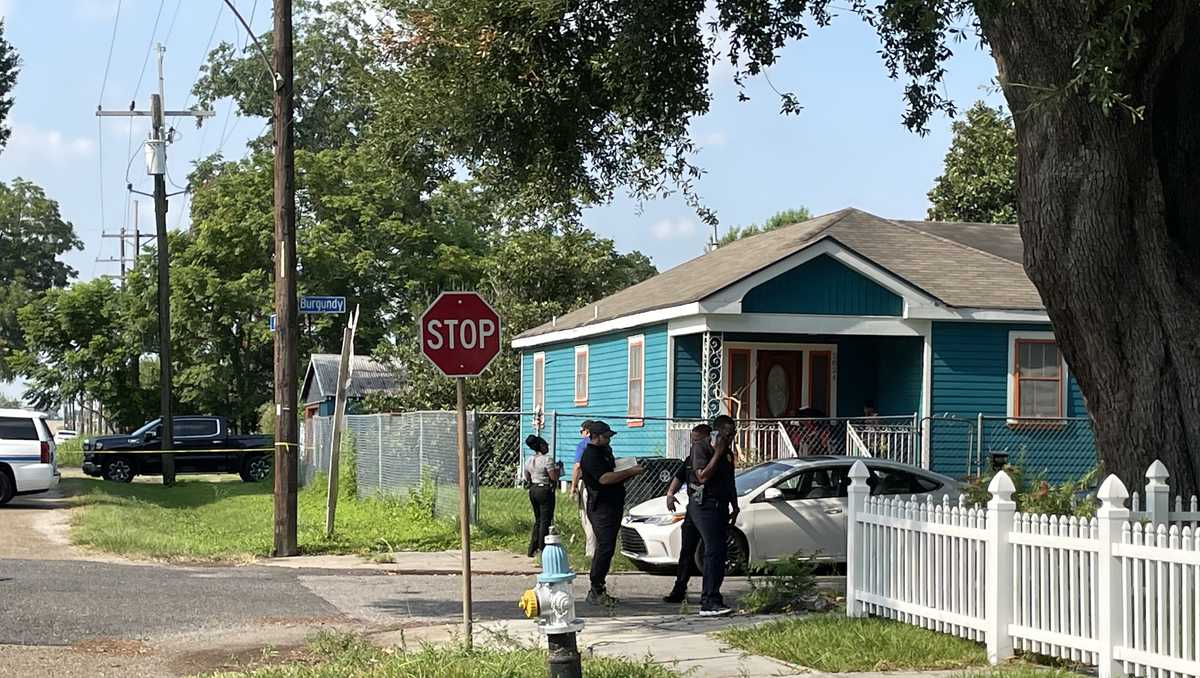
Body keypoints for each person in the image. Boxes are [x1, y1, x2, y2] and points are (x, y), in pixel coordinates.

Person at [662, 415, 738, 616]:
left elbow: (729, 481)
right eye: (728, 434)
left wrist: (735, 505)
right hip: (703, 505)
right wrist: (718, 453)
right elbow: (702, 476)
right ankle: (709, 601)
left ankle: (703, 595)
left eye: (733, 434)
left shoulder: (728, 453)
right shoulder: (701, 449)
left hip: (719, 506)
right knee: (712, 551)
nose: (731, 438)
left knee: (714, 550)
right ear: (716, 432)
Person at [578, 420, 644, 605]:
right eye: (606, 437)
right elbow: (604, 478)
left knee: (608, 546)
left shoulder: (605, 451)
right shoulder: (590, 455)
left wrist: (626, 469)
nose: (609, 440)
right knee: (605, 547)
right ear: (595, 437)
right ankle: (596, 588)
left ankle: (599, 587)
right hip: (601, 507)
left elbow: (612, 470)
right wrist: (630, 472)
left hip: (612, 504)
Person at [524, 435, 560, 557]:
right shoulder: (547, 460)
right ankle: (542, 547)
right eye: (545, 444)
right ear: (541, 446)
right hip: (544, 489)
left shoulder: (529, 460)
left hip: (533, 489)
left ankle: (532, 548)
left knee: (538, 519)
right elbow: (553, 477)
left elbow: (527, 476)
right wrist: (558, 469)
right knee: (545, 520)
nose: (547, 446)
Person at [568, 420, 597, 557]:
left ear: (587, 431)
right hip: (601, 483)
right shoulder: (603, 444)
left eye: (581, 431)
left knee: (586, 517)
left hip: (586, 483)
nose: (581, 434)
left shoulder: (583, 445)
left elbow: (577, 466)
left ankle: (590, 551)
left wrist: (573, 486)